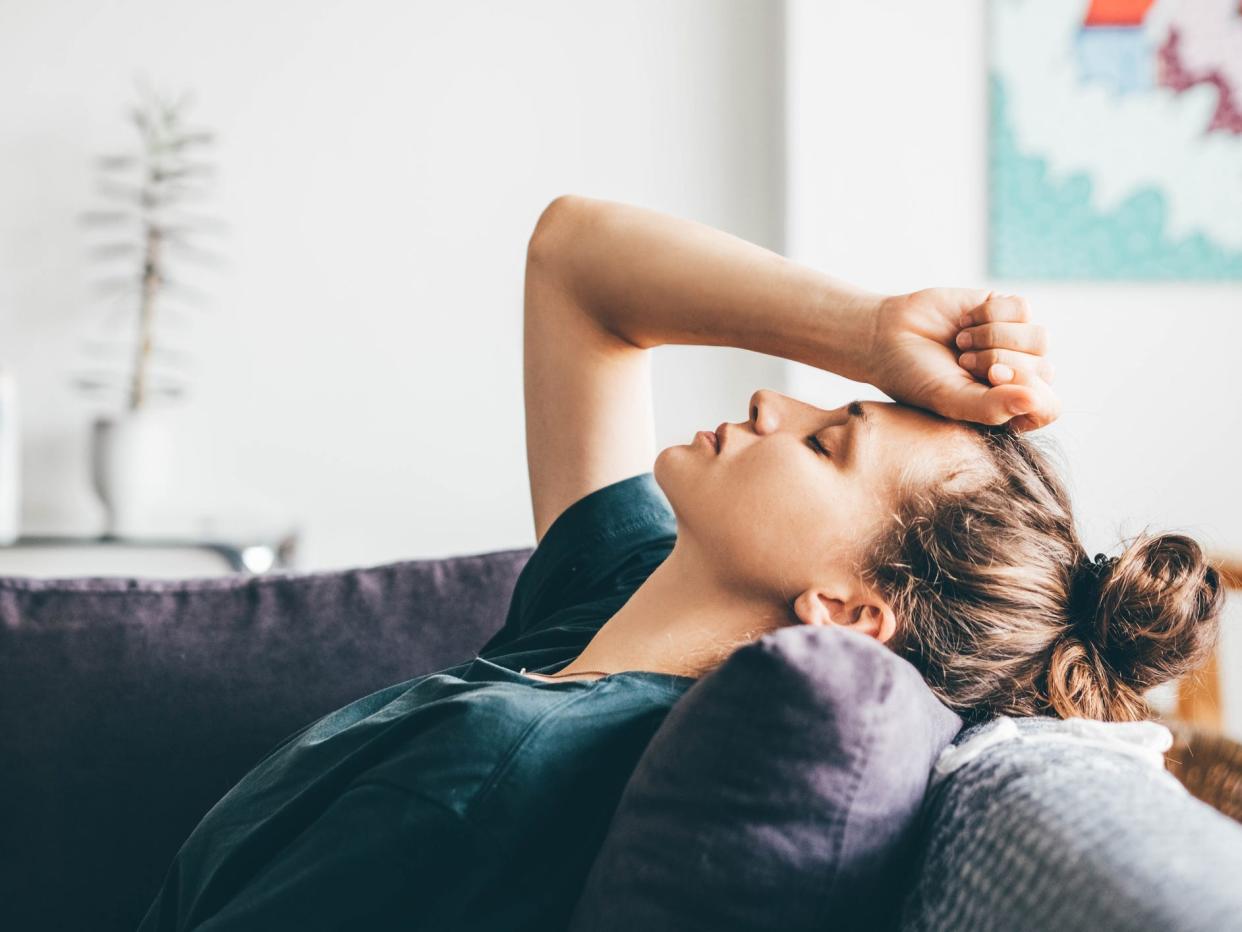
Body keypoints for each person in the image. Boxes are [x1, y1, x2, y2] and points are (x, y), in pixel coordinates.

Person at [137, 196, 1221, 930]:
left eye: (826, 439)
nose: (771, 398)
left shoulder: (498, 766)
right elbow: (576, 257)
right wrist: (873, 330)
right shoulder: (613, 605)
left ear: (846, 609)